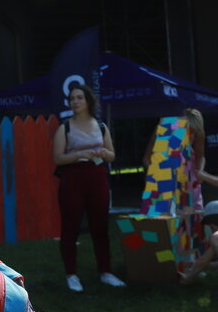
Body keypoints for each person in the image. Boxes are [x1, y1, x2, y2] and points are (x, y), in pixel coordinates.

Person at [52, 85, 125, 292]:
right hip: (72, 179)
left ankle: (106, 271)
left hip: (98, 177)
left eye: (79, 98)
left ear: (88, 101)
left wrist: (102, 152)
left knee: (100, 226)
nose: (75, 102)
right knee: (70, 227)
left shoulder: (100, 126)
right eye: (72, 98)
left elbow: (112, 155)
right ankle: (71, 275)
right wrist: (80, 154)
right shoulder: (64, 128)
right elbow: (57, 158)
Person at [142, 108, 205, 211]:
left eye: (193, 131)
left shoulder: (198, 133)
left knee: (193, 212)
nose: (190, 132)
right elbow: (146, 158)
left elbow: (200, 156)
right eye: (189, 129)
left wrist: (200, 170)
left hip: (188, 177)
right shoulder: (165, 129)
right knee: (165, 214)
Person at [180, 200, 218, 284]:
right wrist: (197, 264)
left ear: (211, 225)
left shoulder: (215, 236)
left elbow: (202, 261)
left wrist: (188, 277)